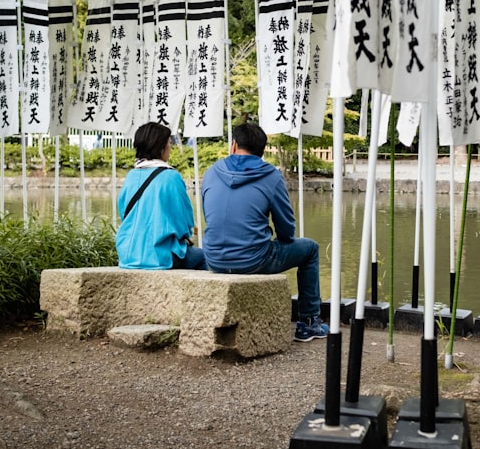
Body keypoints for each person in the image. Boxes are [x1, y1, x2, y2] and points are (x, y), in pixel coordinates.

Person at [201, 123, 329, 342]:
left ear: (233, 145)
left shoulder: (211, 172)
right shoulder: (270, 176)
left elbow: (210, 215)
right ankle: (308, 323)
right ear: (261, 152)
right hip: (254, 260)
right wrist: (280, 240)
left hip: (213, 258)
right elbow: (287, 229)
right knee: (310, 249)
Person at [115, 122, 206, 270]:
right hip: (160, 256)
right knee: (207, 259)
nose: (170, 148)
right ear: (160, 147)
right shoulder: (171, 177)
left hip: (127, 254)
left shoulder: (131, 176)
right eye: (169, 143)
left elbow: (125, 215)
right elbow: (185, 222)